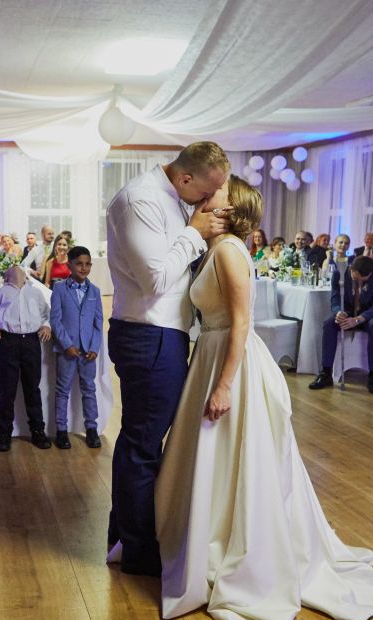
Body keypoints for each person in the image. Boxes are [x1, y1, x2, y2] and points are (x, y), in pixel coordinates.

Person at [155, 175, 373, 620]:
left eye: (216, 191)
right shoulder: (216, 248)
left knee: (236, 458)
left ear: (230, 207)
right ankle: (201, 536)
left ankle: (231, 549)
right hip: (212, 354)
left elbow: (242, 322)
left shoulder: (228, 251)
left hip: (231, 362)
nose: (207, 193)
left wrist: (223, 386)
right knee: (214, 459)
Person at [105, 140, 229, 576]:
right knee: (142, 444)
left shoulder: (177, 199)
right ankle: (138, 551)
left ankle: (125, 536)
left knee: (143, 440)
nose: (206, 202)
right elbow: (156, 279)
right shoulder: (140, 200)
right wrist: (194, 233)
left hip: (163, 335)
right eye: (205, 192)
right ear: (186, 177)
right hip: (148, 336)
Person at [0, 265, 51, 452]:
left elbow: (46, 314)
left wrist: (47, 325)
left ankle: (38, 430)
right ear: (6, 277)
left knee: (33, 389)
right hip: (9, 342)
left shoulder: (36, 292)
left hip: (31, 342)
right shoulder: (2, 292)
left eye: (19, 269)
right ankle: (4, 433)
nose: (16, 270)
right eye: (12, 269)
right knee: (7, 390)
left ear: (25, 275)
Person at [309, 255, 373, 394]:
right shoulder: (338, 273)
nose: (359, 282)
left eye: (363, 280)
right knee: (329, 324)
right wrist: (338, 312)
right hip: (347, 312)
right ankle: (326, 372)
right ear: (351, 268)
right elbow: (335, 299)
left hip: (370, 314)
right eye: (356, 278)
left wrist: (359, 319)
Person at [50, 246, 103, 450]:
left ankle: (92, 428)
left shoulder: (95, 291)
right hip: (67, 350)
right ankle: (61, 430)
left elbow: (98, 323)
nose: (84, 268)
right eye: (79, 263)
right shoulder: (59, 289)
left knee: (89, 389)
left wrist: (95, 347)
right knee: (62, 390)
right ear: (69, 265)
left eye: (88, 264)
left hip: (88, 352)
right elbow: (55, 320)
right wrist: (66, 345)